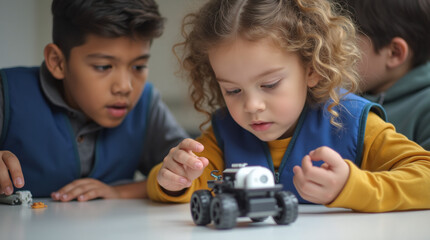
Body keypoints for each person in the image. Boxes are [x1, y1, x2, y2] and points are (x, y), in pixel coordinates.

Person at [146, 0, 430, 212]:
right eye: (232, 90)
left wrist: (353, 187)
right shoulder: (224, 133)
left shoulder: (354, 122)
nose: (252, 105)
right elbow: (175, 185)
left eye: (269, 84)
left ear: (311, 69)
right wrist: (173, 179)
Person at [0, 0, 188, 201]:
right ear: (57, 62)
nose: (125, 87)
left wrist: (119, 192)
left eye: (138, 67)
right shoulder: (7, 92)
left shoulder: (145, 103)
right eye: (103, 66)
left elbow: (191, 174)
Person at [334, 0, 430, 149]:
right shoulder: (340, 94)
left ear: (394, 53)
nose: (330, 52)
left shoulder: (425, 109)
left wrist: (349, 173)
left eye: (345, 43)